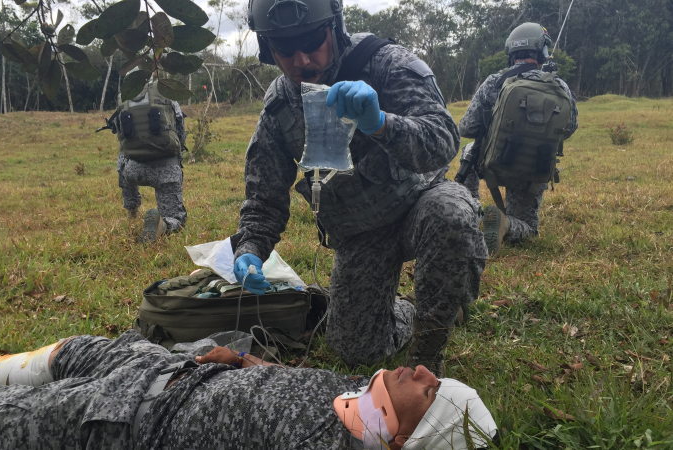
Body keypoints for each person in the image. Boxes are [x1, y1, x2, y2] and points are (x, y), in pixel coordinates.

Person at [232, 0, 488, 375]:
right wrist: (251, 248)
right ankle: (429, 302)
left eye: (311, 41)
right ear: (268, 49)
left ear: (333, 28)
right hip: (363, 233)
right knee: (355, 350)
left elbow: (443, 140)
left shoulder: (386, 63)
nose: (301, 60)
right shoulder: (281, 105)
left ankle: (428, 350)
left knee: (450, 212)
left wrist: (382, 123)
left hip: (420, 205)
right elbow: (264, 194)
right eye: (285, 48)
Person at [0, 331, 498, 450]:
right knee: (77, 350)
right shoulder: (362, 395)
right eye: (433, 377)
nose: (421, 372)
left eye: (427, 394)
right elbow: (289, 384)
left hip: (125, 419)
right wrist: (245, 359)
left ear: (405, 442)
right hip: (177, 366)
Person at [458, 22, 579, 256]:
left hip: (492, 165)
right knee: (529, 228)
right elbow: (570, 128)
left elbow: (466, 127)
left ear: (510, 52)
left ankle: (469, 213)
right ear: (542, 51)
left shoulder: (494, 81)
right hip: (533, 170)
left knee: (469, 149)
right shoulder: (559, 85)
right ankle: (507, 224)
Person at [111, 78, 188, 243]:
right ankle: (164, 224)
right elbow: (180, 131)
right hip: (166, 171)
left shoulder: (122, 98)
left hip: (133, 171)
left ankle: (132, 211)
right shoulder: (166, 93)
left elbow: (121, 137)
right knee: (176, 218)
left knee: (122, 156)